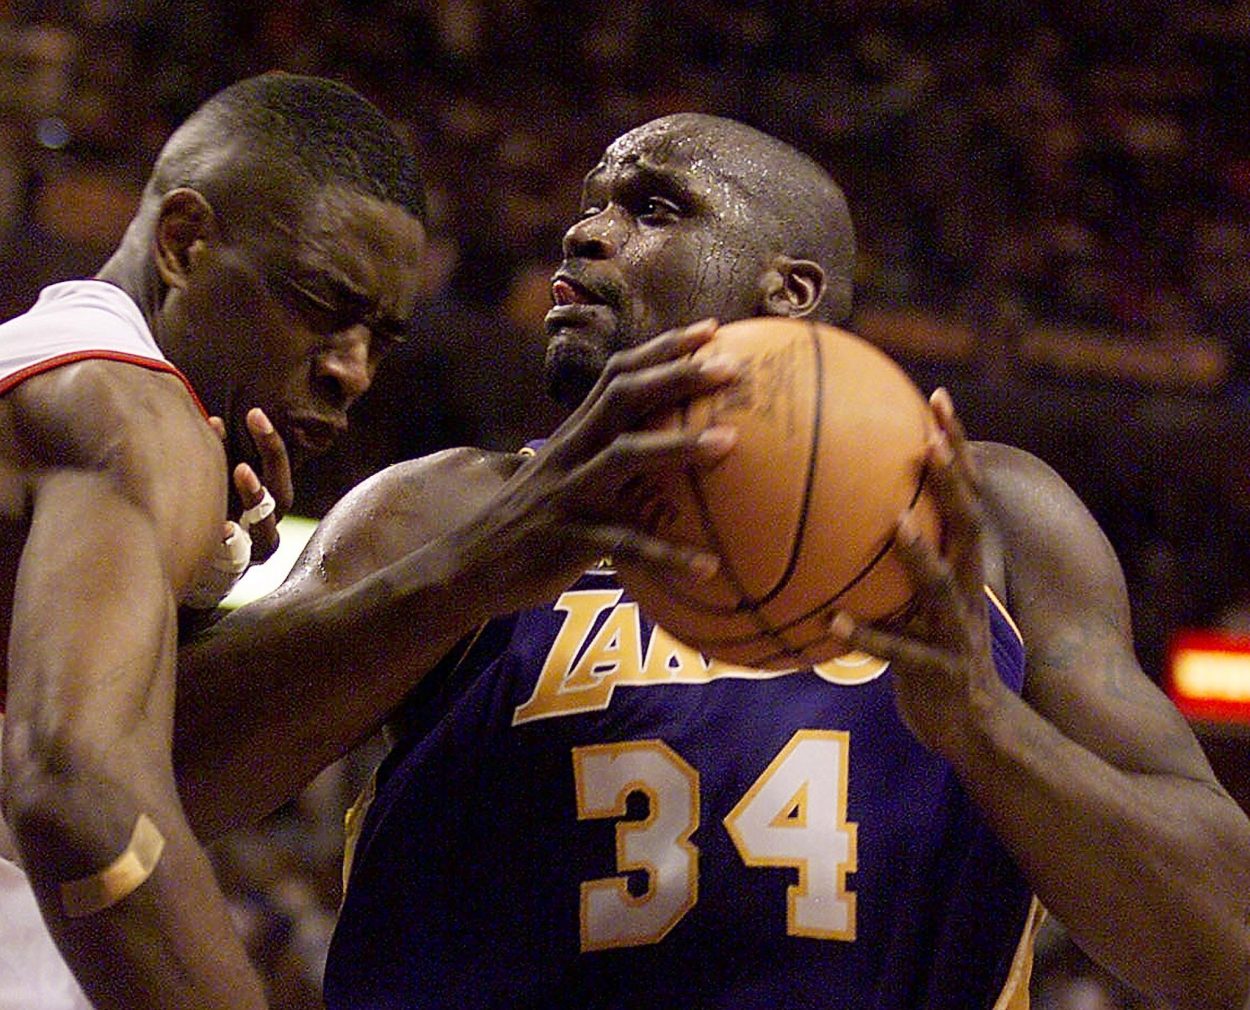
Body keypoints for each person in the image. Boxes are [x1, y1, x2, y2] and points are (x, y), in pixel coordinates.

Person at [178, 114, 1250, 1010]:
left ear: (788, 291)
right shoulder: (446, 507)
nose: (585, 231)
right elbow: (157, 774)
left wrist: (982, 719)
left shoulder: (991, 517)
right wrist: (471, 574)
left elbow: (1222, 945)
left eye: (649, 206)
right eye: (589, 201)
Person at [0, 71, 428, 1010]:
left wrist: (194, 587)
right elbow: (76, 789)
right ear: (186, 243)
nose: (353, 370)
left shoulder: (58, 374)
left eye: (381, 337)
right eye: (323, 302)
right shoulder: (134, 415)